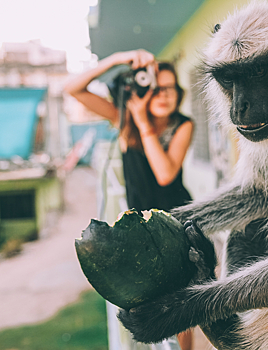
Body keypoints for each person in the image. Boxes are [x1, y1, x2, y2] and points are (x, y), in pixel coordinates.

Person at [64, 49, 194, 350]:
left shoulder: (182, 124)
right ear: (140, 88)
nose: (163, 94)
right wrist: (117, 60)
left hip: (178, 224)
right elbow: (72, 89)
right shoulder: (125, 121)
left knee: (183, 301)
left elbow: (165, 174)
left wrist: (143, 123)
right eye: (154, 87)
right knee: (149, 298)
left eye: (170, 88)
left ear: (179, 92)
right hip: (141, 228)